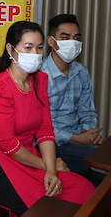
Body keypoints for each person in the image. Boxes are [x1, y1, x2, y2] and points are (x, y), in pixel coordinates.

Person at [0, 21, 95, 217]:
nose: (35, 53)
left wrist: (51, 169)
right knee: (51, 211)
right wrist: (49, 166)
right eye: (28, 47)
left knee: (84, 190)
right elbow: (8, 145)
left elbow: (45, 129)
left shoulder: (39, 80)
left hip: (31, 158)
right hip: (1, 164)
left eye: (39, 48)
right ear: (11, 49)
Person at [40, 14, 106, 185]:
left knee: (102, 159)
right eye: (65, 37)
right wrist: (75, 138)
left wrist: (88, 134)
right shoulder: (40, 75)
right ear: (51, 41)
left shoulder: (81, 71)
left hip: (78, 138)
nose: (72, 42)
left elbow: (88, 111)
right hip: (50, 144)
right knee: (102, 161)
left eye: (76, 38)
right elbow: (37, 124)